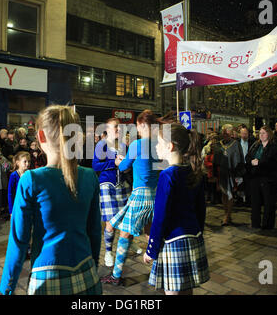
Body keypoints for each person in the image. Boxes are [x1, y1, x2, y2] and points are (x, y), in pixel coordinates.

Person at [0, 105, 102, 295]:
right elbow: (94, 232)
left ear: (40, 136)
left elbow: (19, 240)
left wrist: (8, 287)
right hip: (87, 275)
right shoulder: (90, 176)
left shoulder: (31, 179)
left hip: (46, 278)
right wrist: (93, 266)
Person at [143, 123, 209, 295]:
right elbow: (201, 209)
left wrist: (152, 248)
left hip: (173, 240)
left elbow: (160, 216)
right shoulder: (194, 170)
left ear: (169, 146)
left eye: (158, 143)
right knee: (187, 291)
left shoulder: (167, 174)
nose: (156, 147)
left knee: (172, 292)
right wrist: (198, 233)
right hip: (193, 236)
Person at [101, 110, 160, 286]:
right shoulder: (160, 144)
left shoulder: (137, 144)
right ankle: (159, 271)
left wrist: (119, 161)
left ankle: (116, 276)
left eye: (138, 126)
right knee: (151, 235)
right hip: (155, 195)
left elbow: (125, 166)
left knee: (125, 234)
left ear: (143, 125)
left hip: (140, 194)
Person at [92, 118, 131, 267]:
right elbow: (95, 166)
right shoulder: (101, 145)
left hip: (123, 185)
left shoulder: (123, 145)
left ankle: (128, 241)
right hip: (107, 186)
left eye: (120, 128)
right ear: (107, 129)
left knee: (126, 220)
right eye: (116, 127)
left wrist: (127, 167)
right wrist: (113, 163)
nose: (119, 130)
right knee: (110, 223)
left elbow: (126, 166)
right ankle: (108, 252)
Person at [245, 126, 277, 230]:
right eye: (260, 133)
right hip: (255, 176)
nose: (261, 135)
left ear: (269, 134)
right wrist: (251, 161)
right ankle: (255, 222)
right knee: (255, 201)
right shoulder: (256, 145)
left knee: (268, 202)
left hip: (268, 178)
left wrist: (259, 162)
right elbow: (248, 157)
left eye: (264, 133)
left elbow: (273, 162)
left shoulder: (274, 146)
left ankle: (267, 224)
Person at [213, 124, 245, 226]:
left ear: (231, 133)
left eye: (227, 131)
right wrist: (214, 174)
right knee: (223, 193)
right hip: (221, 172)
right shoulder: (218, 144)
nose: (225, 133)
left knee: (230, 193)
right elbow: (215, 160)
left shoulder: (236, 144)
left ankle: (227, 216)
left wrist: (238, 174)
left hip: (232, 172)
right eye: (223, 131)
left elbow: (239, 159)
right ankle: (226, 213)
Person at [8, 151, 30, 217]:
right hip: (17, 204)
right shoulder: (14, 175)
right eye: (25, 161)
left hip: (28, 204)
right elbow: (10, 193)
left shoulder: (29, 174)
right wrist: (11, 210)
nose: (27, 163)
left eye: (29, 161)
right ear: (18, 163)